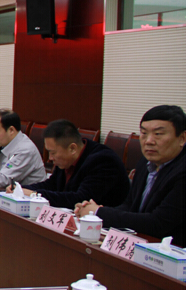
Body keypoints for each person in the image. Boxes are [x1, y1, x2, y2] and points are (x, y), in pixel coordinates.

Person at [75, 105, 185, 246]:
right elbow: (130, 205)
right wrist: (94, 213)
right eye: (144, 133)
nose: (148, 141)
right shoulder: (146, 163)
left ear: (182, 138)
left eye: (158, 134)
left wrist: (99, 213)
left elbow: (158, 223)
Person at [16, 119, 129, 209]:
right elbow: (52, 184)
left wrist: (35, 195)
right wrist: (20, 188)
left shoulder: (103, 161)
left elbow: (80, 199)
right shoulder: (66, 159)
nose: (50, 158)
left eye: (53, 153)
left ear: (72, 148)